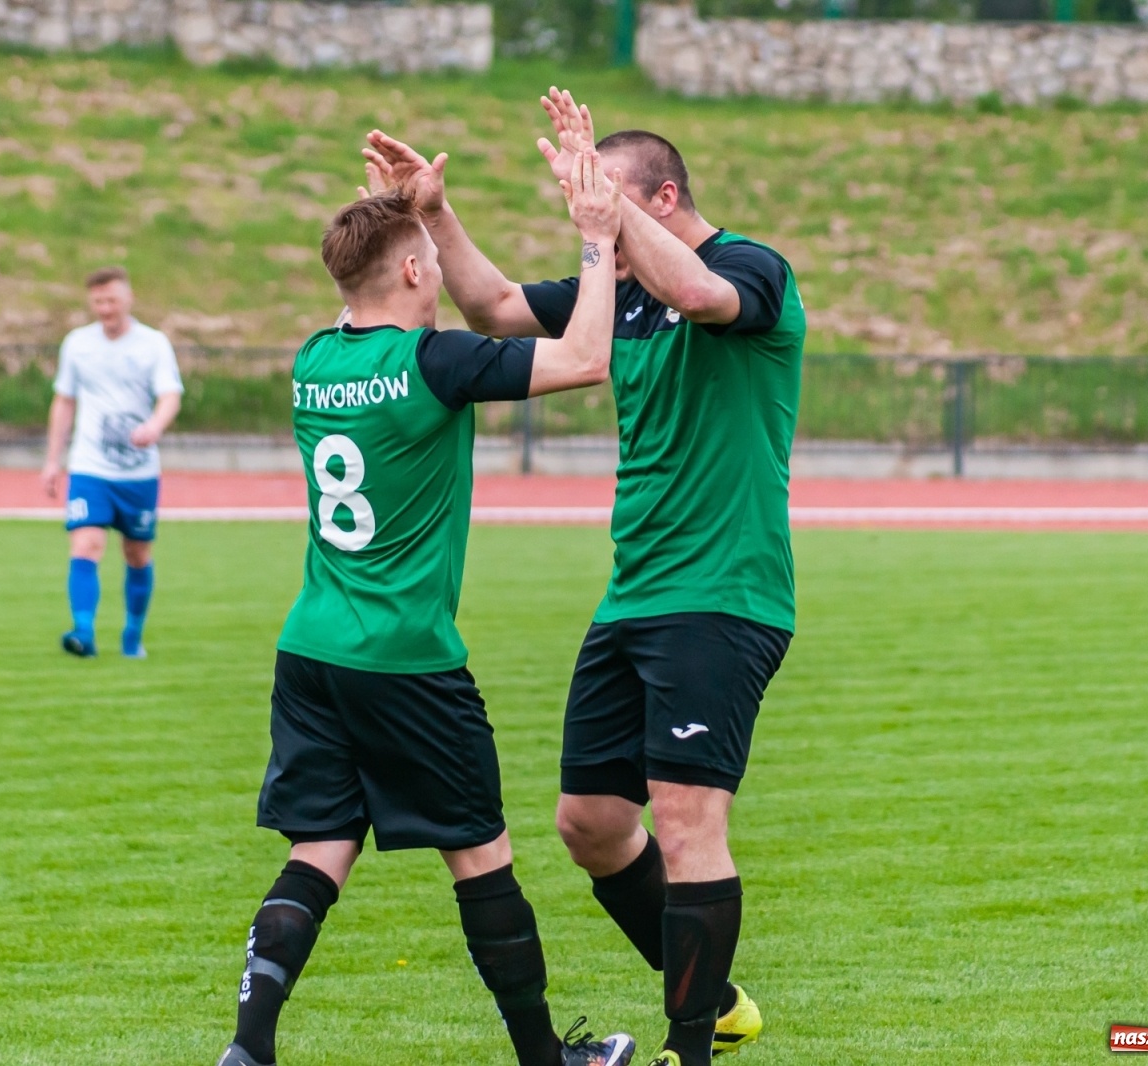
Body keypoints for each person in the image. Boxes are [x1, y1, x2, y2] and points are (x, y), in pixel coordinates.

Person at [364, 86, 806, 1066]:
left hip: (723, 593)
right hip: (635, 593)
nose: (583, 212)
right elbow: (493, 307)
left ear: (660, 195)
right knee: (592, 824)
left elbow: (699, 295)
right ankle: (719, 999)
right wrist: (432, 210)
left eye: (600, 193)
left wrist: (602, 225)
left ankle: (687, 1046)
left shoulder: (750, 270)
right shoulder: (628, 284)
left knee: (689, 818)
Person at [218, 157, 634, 1066]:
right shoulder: (433, 361)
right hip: (407, 659)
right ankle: (545, 1058)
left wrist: (418, 212)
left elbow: (361, 288)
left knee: (319, 849)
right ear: (412, 272)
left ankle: (248, 1048)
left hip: (312, 650)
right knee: (480, 856)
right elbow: (587, 359)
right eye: (430, 260)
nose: (441, 271)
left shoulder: (315, 359)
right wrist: (598, 242)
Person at [40, 267, 182, 659]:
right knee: (86, 544)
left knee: (137, 554)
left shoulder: (152, 343)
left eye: (112, 300)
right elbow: (64, 400)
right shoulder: (77, 344)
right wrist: (54, 460)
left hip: (138, 472)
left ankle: (132, 634)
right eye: (98, 301)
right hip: (89, 466)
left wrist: (154, 424)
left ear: (128, 299)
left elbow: (170, 394)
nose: (105, 308)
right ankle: (83, 632)